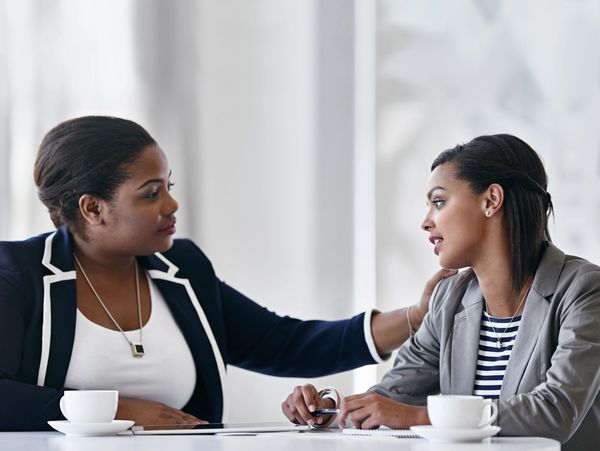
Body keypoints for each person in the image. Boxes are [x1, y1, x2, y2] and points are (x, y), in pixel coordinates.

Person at [0, 116, 453, 431]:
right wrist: (112, 411)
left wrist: (416, 316)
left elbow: (284, 344)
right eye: (150, 193)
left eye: (168, 187)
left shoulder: (184, 269)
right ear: (93, 208)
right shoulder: (17, 276)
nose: (171, 205)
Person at [281, 134, 600, 450]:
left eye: (439, 202)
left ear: (491, 201)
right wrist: (327, 408)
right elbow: (392, 397)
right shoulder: (449, 299)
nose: (426, 222)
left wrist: (422, 417)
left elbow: (556, 410)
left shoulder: (583, 289)